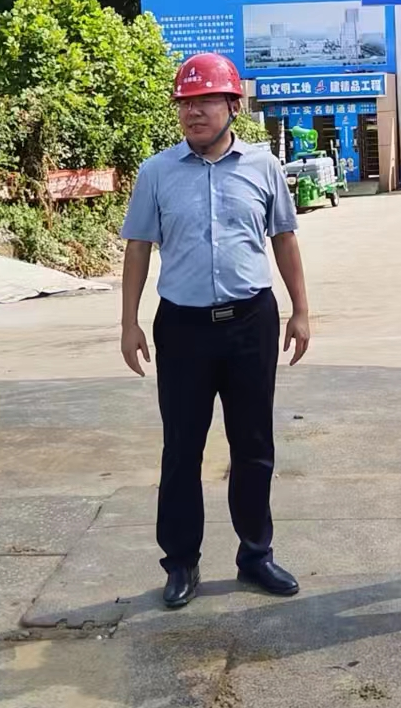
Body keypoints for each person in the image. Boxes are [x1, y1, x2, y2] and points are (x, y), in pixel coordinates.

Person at [119, 52, 312, 610]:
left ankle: (256, 554)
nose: (194, 112)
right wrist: (129, 322)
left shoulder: (264, 167)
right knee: (182, 447)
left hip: (251, 323)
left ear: (233, 106)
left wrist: (301, 311)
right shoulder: (157, 172)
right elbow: (138, 248)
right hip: (182, 328)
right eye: (186, 102)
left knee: (253, 444)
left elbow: (284, 239)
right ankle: (181, 561)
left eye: (206, 101)